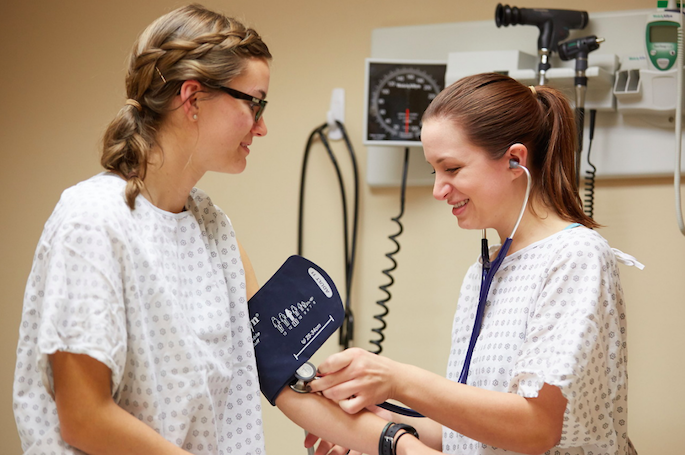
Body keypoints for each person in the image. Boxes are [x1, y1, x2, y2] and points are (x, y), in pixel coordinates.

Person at [12, 4, 416, 455]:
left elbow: (277, 364)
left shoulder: (211, 227)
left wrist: (392, 439)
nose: (261, 126)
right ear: (192, 98)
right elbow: (85, 419)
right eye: (254, 102)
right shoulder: (93, 221)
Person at [307, 73, 642, 455]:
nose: (438, 190)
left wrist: (396, 380)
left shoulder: (574, 257)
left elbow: (536, 429)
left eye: (451, 168)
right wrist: (374, 424)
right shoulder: (484, 272)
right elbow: (470, 435)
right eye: (435, 171)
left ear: (515, 160)